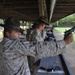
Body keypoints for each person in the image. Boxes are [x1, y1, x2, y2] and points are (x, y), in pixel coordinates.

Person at [0, 17, 73, 75]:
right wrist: (64, 42)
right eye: (16, 31)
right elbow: (38, 48)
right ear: (7, 33)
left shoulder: (3, 45)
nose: (19, 33)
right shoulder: (14, 46)